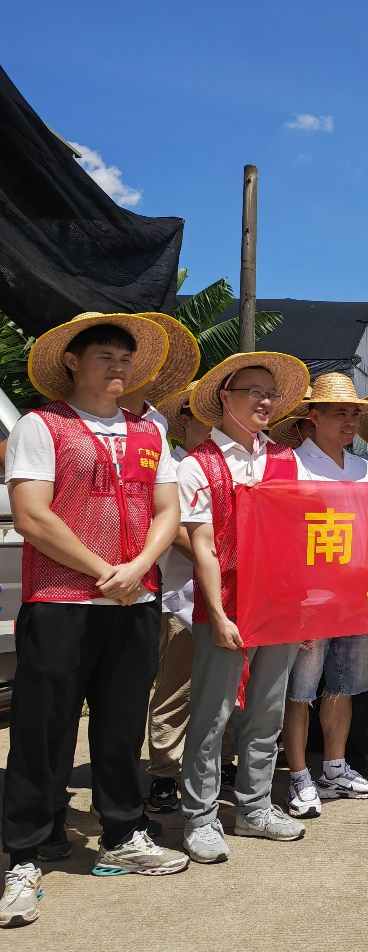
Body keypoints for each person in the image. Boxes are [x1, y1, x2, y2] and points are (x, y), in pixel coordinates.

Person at [2, 313, 186, 927]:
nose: (118, 366)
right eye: (105, 355)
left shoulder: (147, 431)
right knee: (42, 723)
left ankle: (121, 832)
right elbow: (31, 514)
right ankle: (24, 852)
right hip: (61, 598)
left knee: (122, 720)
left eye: (125, 358)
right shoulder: (41, 424)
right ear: (73, 363)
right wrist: (106, 569)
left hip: (135, 599)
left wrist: (138, 568)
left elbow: (168, 509)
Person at [177, 351, 311, 863]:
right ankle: (201, 816)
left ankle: (254, 807)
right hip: (225, 605)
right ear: (223, 399)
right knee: (211, 715)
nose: (265, 400)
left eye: (270, 393)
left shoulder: (284, 459)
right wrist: (219, 613)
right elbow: (203, 548)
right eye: (253, 390)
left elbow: (300, 533)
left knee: (266, 710)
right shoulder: (197, 465)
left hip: (277, 604)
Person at [281, 373, 368, 818]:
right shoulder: (291, 465)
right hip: (310, 597)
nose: (349, 421)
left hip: (357, 596)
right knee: (300, 689)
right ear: (314, 415)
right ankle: (298, 773)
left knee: (345, 684)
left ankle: (335, 765)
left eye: (354, 414)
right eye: (339, 413)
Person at [145, 382, 239, 814]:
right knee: (177, 688)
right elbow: (178, 533)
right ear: (184, 418)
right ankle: (165, 771)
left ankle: (222, 763)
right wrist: (219, 553)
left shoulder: (238, 463)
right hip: (183, 596)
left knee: (229, 689)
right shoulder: (174, 465)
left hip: (233, 596)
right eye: (202, 412)